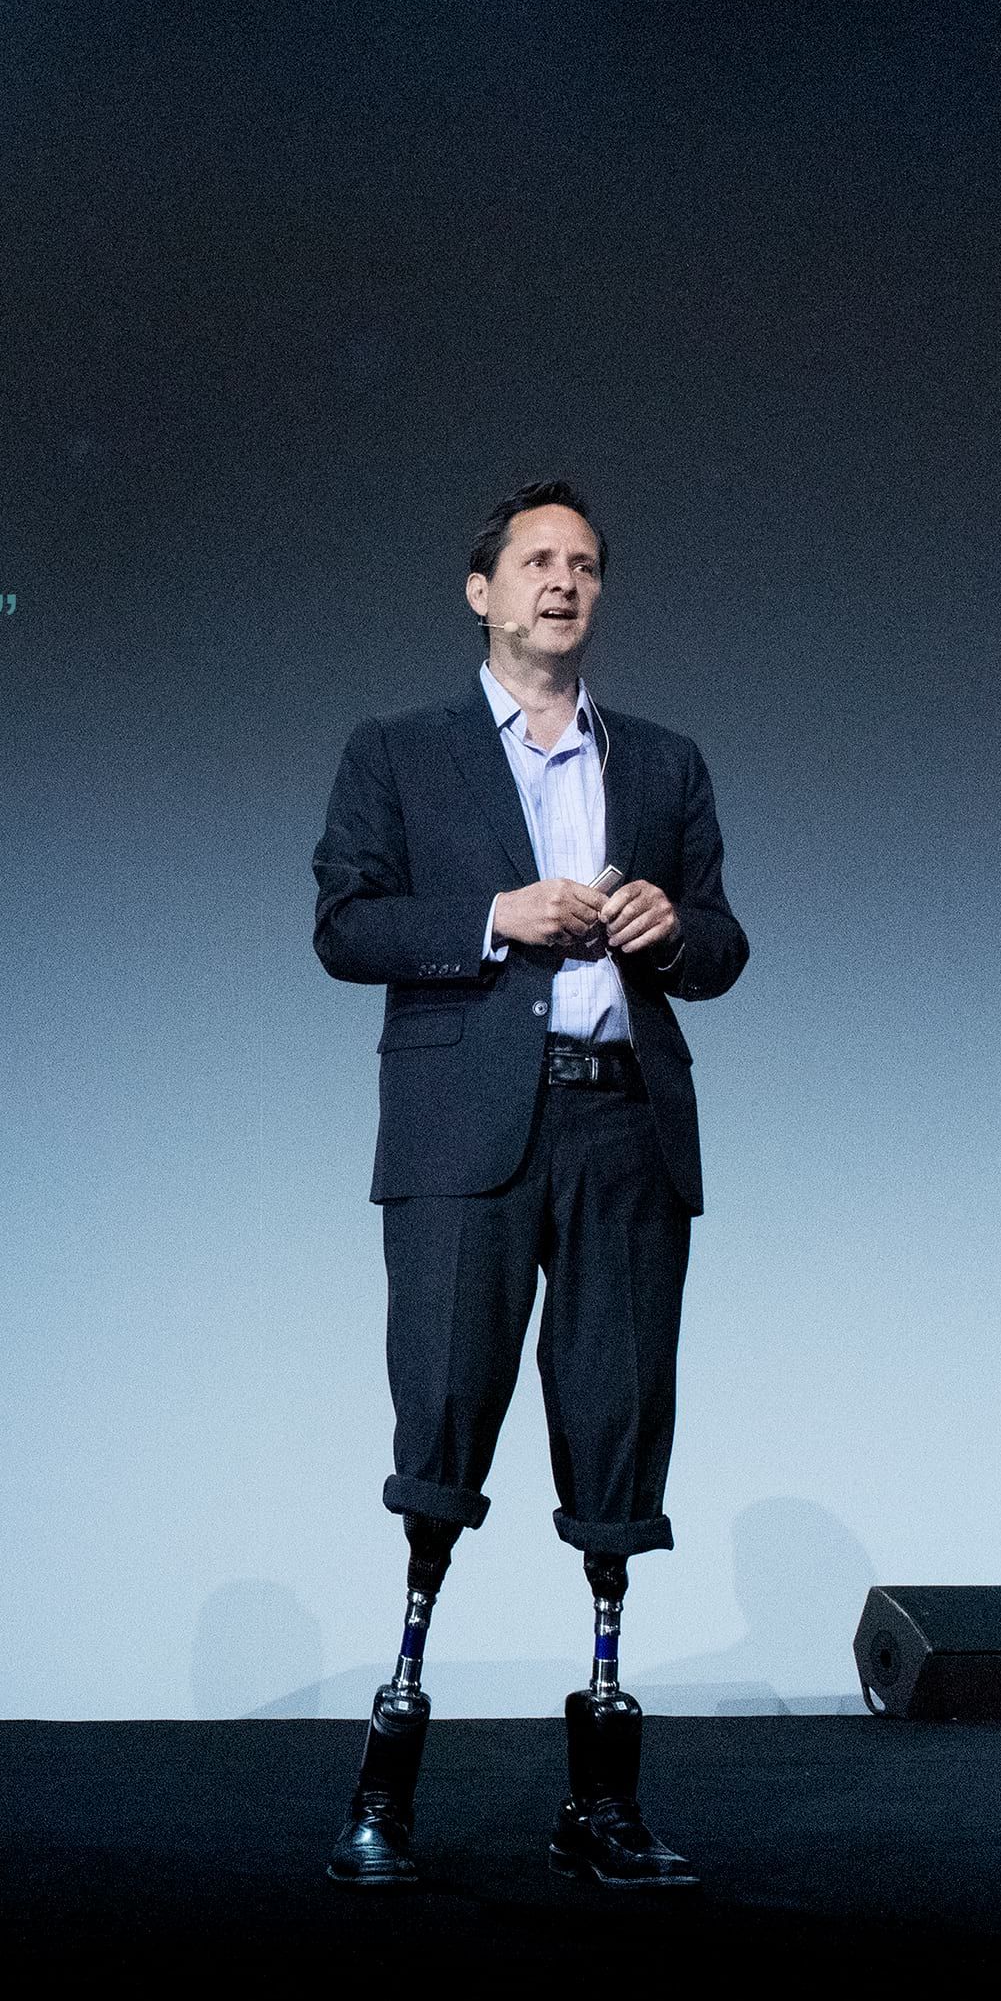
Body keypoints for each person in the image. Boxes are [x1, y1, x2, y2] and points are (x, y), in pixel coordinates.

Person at [307, 478, 748, 1888]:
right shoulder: (400, 752)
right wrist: (496, 917)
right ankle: (387, 1780)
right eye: (538, 560)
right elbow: (345, 925)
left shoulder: (662, 763)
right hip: (467, 1135)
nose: (564, 581)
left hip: (623, 1128)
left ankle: (603, 1794)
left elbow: (724, 947)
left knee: (618, 1424)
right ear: (482, 591)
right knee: (442, 1418)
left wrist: (672, 928)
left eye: (586, 565)